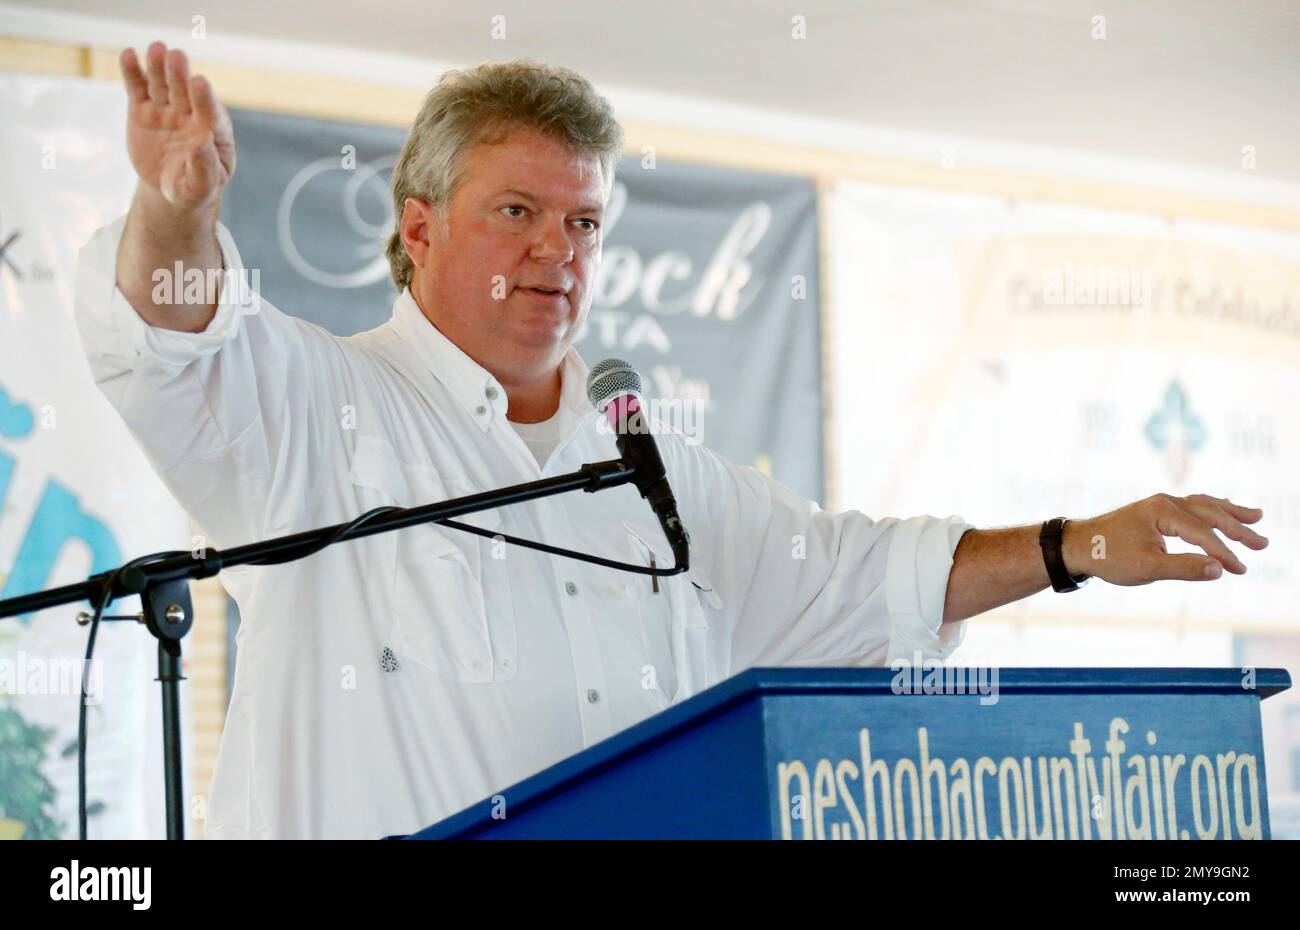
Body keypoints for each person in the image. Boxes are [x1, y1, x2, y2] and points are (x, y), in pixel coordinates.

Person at [74, 41, 1269, 839]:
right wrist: (176, 210)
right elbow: (168, 336)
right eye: (518, 214)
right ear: (420, 227)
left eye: (584, 220)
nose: (559, 252)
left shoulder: (663, 483)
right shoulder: (317, 410)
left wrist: (1073, 546)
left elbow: (870, 578)